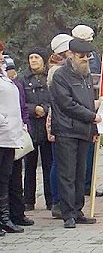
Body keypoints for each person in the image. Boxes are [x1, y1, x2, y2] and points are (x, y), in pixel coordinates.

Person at [49, 38, 101, 228]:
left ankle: (78, 210)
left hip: (84, 130)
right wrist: (91, 117)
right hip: (66, 130)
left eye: (88, 56)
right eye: (81, 56)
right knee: (67, 173)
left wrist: (93, 128)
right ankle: (67, 213)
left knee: (80, 173)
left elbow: (89, 101)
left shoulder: (85, 75)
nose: (85, 59)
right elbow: (67, 104)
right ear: (70, 55)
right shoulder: (60, 76)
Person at [71, 25, 103, 198]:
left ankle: (88, 184)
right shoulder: (70, 63)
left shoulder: (94, 57)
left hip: (93, 105)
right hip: (80, 111)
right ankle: (81, 186)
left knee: (91, 149)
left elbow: (98, 77)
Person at [21, 47, 53, 212]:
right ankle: (28, 200)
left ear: (43, 60)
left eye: (36, 57)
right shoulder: (24, 80)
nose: (33, 60)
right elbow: (21, 102)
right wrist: (34, 109)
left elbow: (55, 98)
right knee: (30, 166)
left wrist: (45, 109)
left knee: (49, 165)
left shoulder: (50, 78)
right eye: (31, 57)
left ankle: (51, 199)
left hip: (47, 127)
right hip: (31, 127)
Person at [46, 33, 74, 219]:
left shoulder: (65, 68)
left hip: (65, 119)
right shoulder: (57, 71)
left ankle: (63, 199)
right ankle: (56, 200)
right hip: (59, 119)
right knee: (59, 162)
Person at [0, 46, 26, 236]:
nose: (2, 56)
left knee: (4, 177)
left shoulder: (3, 74)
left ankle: (4, 218)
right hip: (2, 130)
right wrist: (4, 121)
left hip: (9, 135)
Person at [6, 56, 34, 228]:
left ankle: (18, 212)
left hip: (18, 133)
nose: (11, 73)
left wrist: (25, 125)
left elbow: (23, 107)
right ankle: (7, 213)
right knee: (6, 177)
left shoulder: (16, 86)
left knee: (17, 176)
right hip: (6, 134)